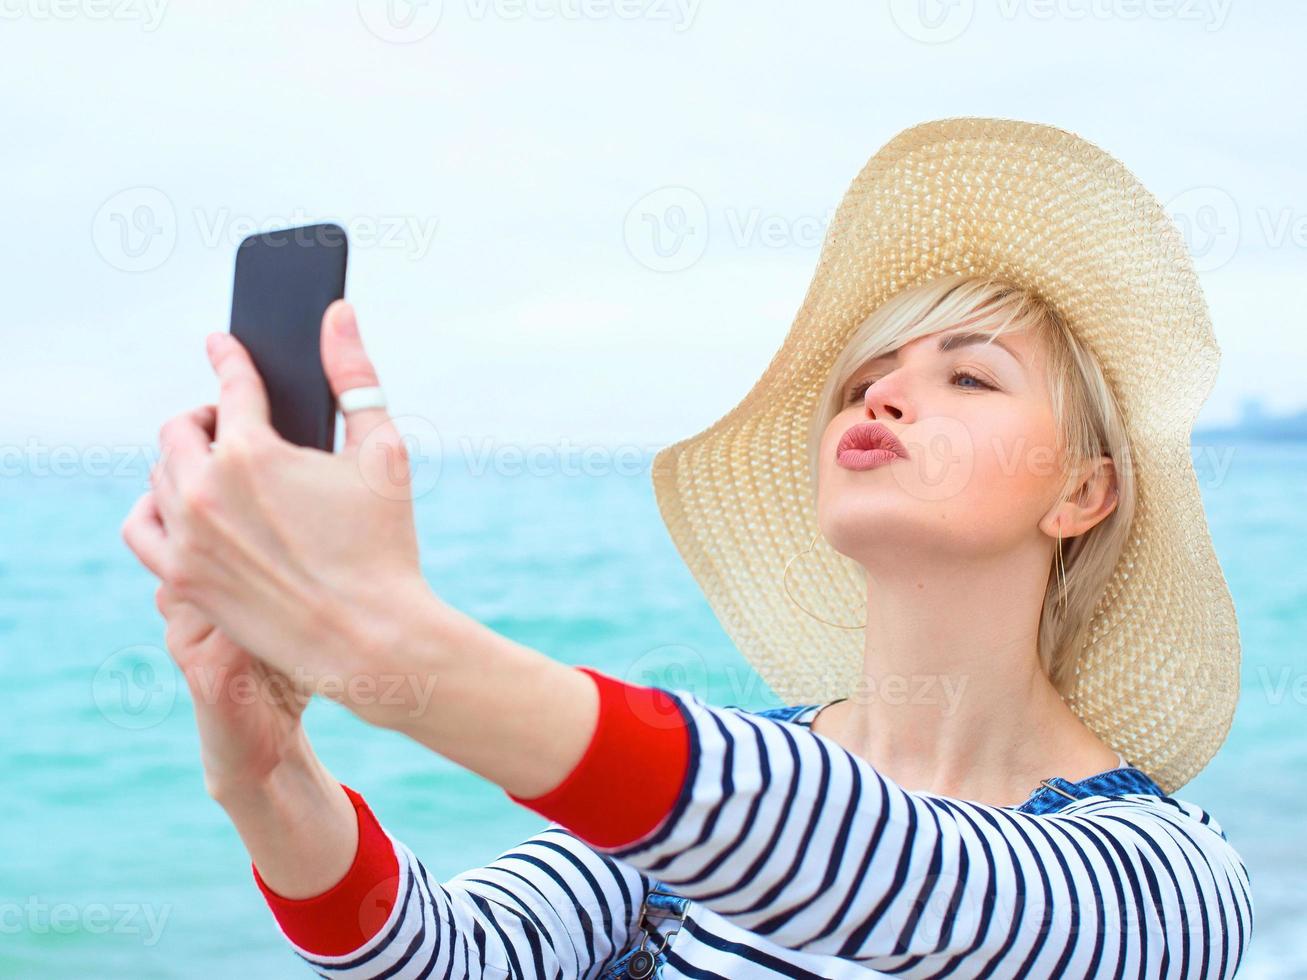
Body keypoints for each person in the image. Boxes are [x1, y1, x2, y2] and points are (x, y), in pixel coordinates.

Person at [122, 117, 1253, 978]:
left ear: (1081, 490)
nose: (886, 395)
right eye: (865, 378)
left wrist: (384, 638)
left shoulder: (1169, 875)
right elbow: (440, 955)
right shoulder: (687, 812)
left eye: (966, 373)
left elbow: (900, 871)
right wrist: (265, 772)